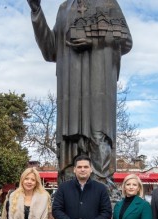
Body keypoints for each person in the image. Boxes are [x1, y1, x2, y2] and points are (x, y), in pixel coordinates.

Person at [26, 0, 132, 182]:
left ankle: (102, 185)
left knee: (98, 134)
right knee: (70, 137)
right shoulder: (64, 8)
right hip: (70, 89)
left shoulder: (108, 3)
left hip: (99, 82)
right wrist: (36, 10)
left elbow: (126, 41)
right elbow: (51, 50)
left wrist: (94, 42)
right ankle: (69, 186)